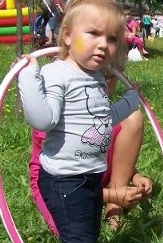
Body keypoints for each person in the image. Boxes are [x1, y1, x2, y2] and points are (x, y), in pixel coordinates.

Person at [17, 0, 141, 243]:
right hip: (63, 179)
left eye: (113, 38)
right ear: (67, 36)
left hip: (87, 175)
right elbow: (43, 119)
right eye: (95, 34)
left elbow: (99, 121)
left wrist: (129, 104)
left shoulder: (94, 78)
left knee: (86, 239)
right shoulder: (57, 73)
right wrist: (29, 75)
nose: (105, 44)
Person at [29, 76, 152, 233]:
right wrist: (111, 195)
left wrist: (135, 176)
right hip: (56, 183)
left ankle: (114, 209)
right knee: (75, 234)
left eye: (111, 74)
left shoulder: (98, 111)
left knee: (131, 116)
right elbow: (64, 178)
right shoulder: (61, 113)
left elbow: (103, 148)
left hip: (94, 170)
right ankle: (110, 198)